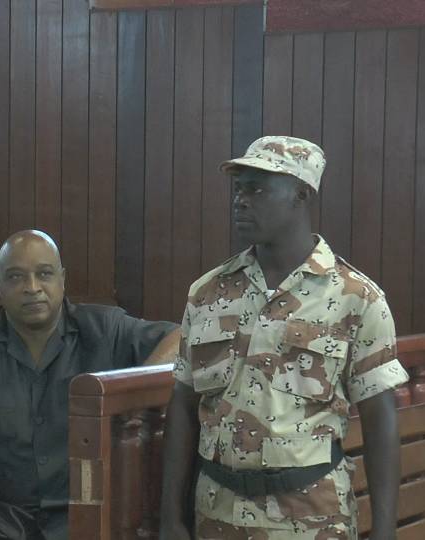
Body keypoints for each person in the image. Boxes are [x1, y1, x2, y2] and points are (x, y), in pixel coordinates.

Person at [159, 136, 408, 540]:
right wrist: (170, 517)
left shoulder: (356, 298)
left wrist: (385, 532)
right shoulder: (208, 293)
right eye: (239, 188)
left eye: (257, 190)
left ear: (301, 194)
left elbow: (380, 419)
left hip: (312, 519)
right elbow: (184, 406)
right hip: (217, 513)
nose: (240, 201)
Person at [0, 230, 181, 540]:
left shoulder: (106, 329)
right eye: (16, 277)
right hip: (4, 518)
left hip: (88, 516)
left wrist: (134, 388)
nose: (32, 288)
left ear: (62, 280)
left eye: (44, 274)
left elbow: (180, 337)